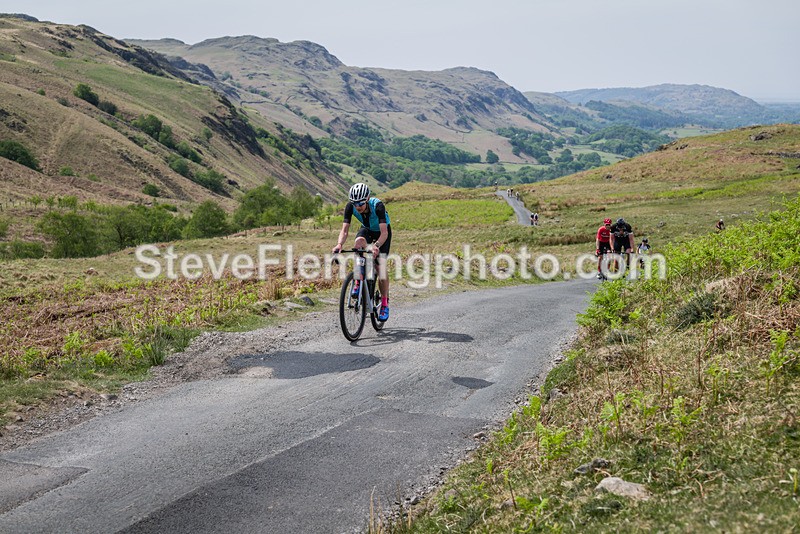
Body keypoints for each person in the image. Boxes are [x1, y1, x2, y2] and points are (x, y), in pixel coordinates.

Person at [332, 183, 392, 321]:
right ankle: (358, 281)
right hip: (366, 229)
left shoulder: (378, 206)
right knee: (358, 243)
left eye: (360, 203)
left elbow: (384, 233)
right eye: (355, 203)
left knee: (380, 267)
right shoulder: (350, 207)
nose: (357, 207)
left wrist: (376, 245)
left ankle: (384, 303)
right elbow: (345, 230)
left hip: (382, 234)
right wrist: (339, 244)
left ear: (367, 199)